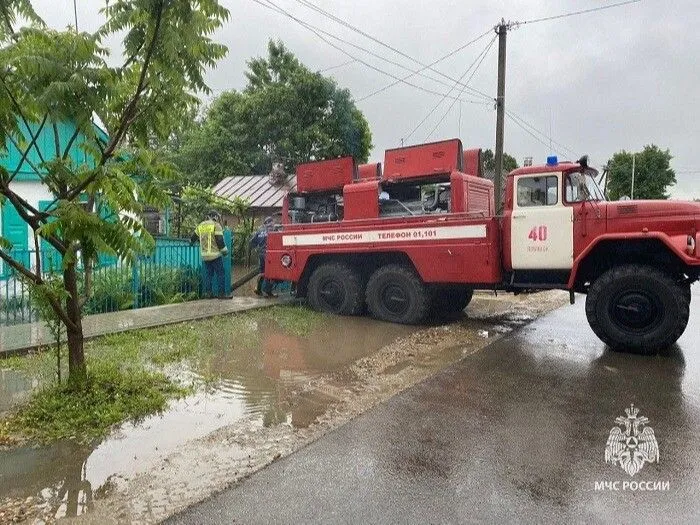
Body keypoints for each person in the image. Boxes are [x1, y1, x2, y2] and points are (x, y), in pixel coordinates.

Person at [191, 210, 230, 299]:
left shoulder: (200, 225)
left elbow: (193, 238)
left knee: (209, 275)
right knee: (221, 273)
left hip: (205, 256)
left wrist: (191, 243)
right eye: (217, 217)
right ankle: (221, 294)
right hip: (215, 255)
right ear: (215, 216)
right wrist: (225, 252)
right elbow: (220, 240)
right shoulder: (216, 225)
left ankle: (208, 293)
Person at [250, 216, 276, 298]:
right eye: (272, 222)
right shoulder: (273, 230)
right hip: (269, 254)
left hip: (261, 254)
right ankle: (267, 291)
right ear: (271, 222)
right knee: (271, 273)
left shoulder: (259, 231)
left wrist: (256, 249)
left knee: (262, 272)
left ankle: (258, 289)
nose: (273, 223)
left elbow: (252, 241)